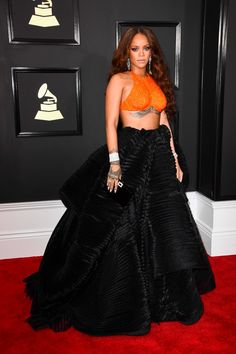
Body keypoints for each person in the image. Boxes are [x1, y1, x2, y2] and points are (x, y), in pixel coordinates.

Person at [24, 27, 216, 336]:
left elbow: (164, 122)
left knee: (165, 226)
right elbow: (110, 123)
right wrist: (114, 164)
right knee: (120, 225)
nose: (142, 54)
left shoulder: (155, 82)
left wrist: (176, 159)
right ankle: (119, 296)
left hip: (158, 158)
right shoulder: (119, 81)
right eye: (136, 49)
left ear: (152, 52)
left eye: (146, 49)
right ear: (126, 53)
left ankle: (165, 299)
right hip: (128, 154)